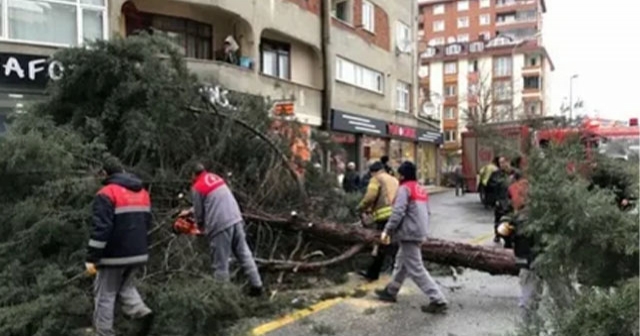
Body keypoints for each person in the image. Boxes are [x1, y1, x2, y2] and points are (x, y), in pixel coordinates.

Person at [86, 158, 154, 336]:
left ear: (105, 173)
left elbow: (101, 229)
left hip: (114, 255)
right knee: (126, 287)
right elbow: (147, 224)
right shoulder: (143, 193)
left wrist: (92, 257)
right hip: (138, 253)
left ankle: (104, 333)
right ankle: (141, 313)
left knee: (105, 295)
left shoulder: (106, 193)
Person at [374, 161, 448, 314]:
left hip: (409, 233)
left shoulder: (404, 189)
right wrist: (423, 233)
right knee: (401, 263)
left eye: (399, 173)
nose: (398, 176)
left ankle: (438, 299)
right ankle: (391, 291)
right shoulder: (420, 189)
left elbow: (398, 212)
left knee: (416, 269)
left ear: (403, 175)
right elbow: (427, 212)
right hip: (418, 231)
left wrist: (387, 230)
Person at [183, 163, 263, 296]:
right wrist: (189, 212)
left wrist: (199, 227)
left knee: (220, 264)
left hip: (219, 224)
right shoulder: (215, 178)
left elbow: (199, 213)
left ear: (192, 174)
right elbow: (213, 201)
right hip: (235, 218)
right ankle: (257, 286)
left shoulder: (197, 187)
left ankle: (224, 296)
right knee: (244, 253)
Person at [356, 161, 399, 281]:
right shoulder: (393, 179)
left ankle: (373, 274)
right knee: (392, 243)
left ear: (373, 172)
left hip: (384, 217)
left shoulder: (376, 179)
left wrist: (360, 207)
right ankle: (389, 269)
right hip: (397, 215)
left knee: (382, 245)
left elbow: (370, 196)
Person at [487, 156, 513, 245]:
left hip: (511, 201)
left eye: (504, 162)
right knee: (498, 219)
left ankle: (509, 237)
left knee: (510, 220)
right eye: (500, 162)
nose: (502, 164)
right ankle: (498, 234)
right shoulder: (496, 174)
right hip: (500, 201)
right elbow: (490, 187)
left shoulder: (513, 173)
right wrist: (494, 200)